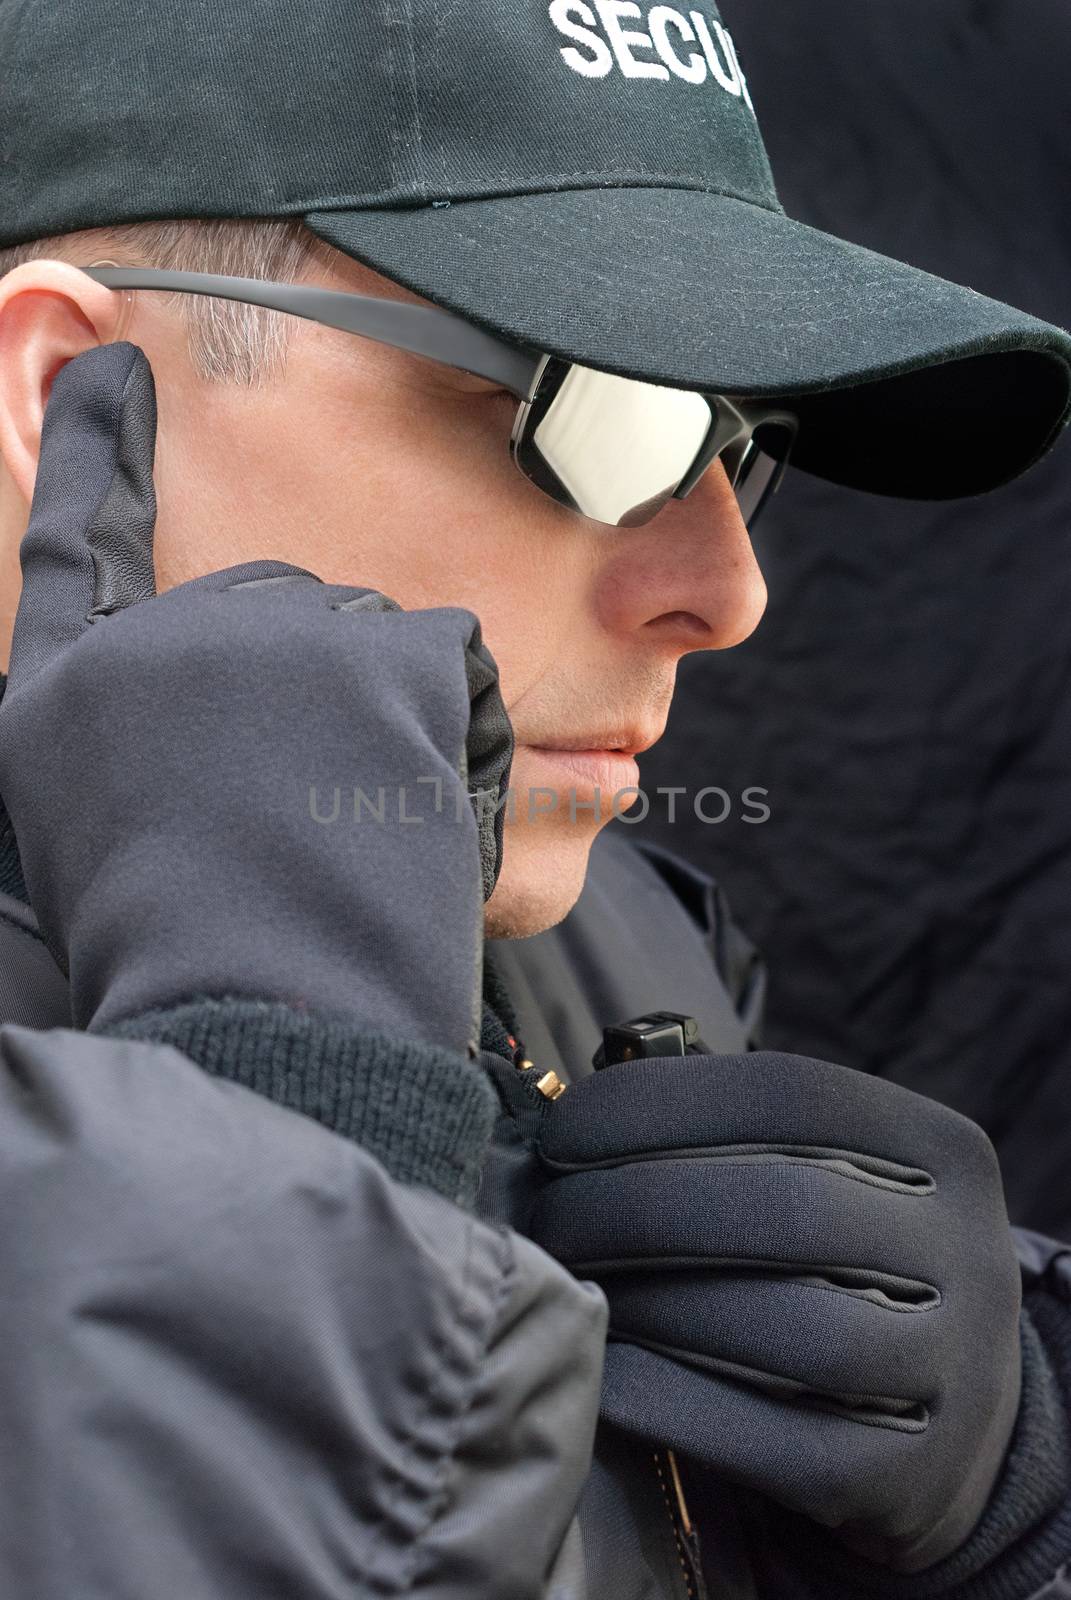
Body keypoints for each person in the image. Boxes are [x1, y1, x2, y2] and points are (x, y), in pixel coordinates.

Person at [0, 1, 1068, 1596]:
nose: (727, 587)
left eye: (735, 438)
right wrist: (281, 1119)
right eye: (600, 412)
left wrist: (1024, 1501)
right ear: (74, 387)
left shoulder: (609, 938)